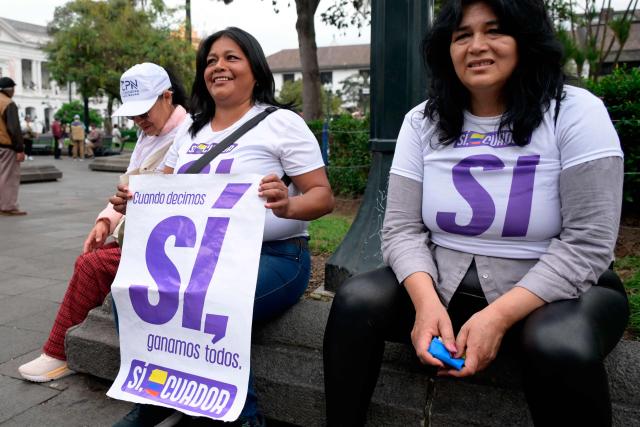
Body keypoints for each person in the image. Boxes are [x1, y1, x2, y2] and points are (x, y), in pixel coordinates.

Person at [323, 1, 629, 426]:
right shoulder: (422, 122)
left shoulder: (575, 112)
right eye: (462, 35)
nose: (476, 46)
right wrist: (426, 305)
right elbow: (401, 231)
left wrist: (498, 317)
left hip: (563, 292)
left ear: (525, 38)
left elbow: (588, 245)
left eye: (495, 31)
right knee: (356, 301)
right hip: (445, 283)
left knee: (556, 342)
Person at [110, 27, 334, 427]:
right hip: (200, 256)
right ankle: (156, 395)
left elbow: (322, 196)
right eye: (211, 60)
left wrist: (287, 204)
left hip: (274, 256)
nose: (219, 67)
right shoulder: (190, 131)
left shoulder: (281, 123)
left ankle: (243, 417)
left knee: (208, 300)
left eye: (231, 57)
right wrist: (134, 200)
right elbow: (165, 191)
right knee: (130, 294)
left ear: (255, 67)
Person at [18, 63, 189, 387]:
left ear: (167, 96)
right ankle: (61, 348)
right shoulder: (147, 135)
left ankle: (58, 352)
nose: (138, 121)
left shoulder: (187, 133)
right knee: (89, 260)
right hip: (143, 231)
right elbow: (129, 188)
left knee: (92, 266)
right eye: (133, 114)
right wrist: (104, 221)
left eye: (144, 112)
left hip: (171, 239)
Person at [0, 77, 27, 216]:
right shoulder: (8, 103)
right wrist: (20, 149)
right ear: (9, 89)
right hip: (6, 146)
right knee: (8, 177)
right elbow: (14, 129)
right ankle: (8, 206)